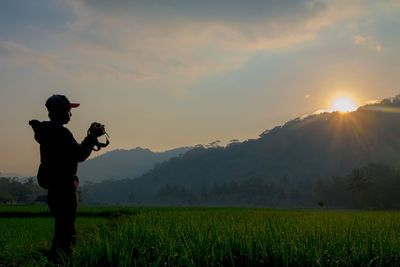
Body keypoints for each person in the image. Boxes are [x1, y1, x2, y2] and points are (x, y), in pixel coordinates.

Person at [29, 94, 106, 261]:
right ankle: (59, 261)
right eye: (68, 110)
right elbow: (79, 154)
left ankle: (60, 260)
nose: (71, 114)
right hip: (64, 188)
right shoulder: (60, 132)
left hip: (55, 189)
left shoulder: (47, 131)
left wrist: (90, 138)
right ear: (59, 112)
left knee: (64, 230)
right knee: (66, 233)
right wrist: (93, 136)